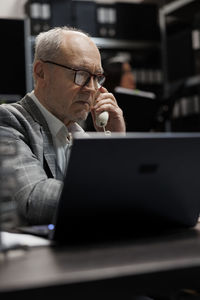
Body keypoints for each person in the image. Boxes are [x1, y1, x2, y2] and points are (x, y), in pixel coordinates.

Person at [0, 26, 125, 225]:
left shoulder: (81, 135)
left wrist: (115, 145)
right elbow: (33, 199)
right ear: (41, 72)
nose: (92, 89)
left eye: (97, 77)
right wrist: (119, 195)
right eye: (81, 74)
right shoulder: (8, 121)